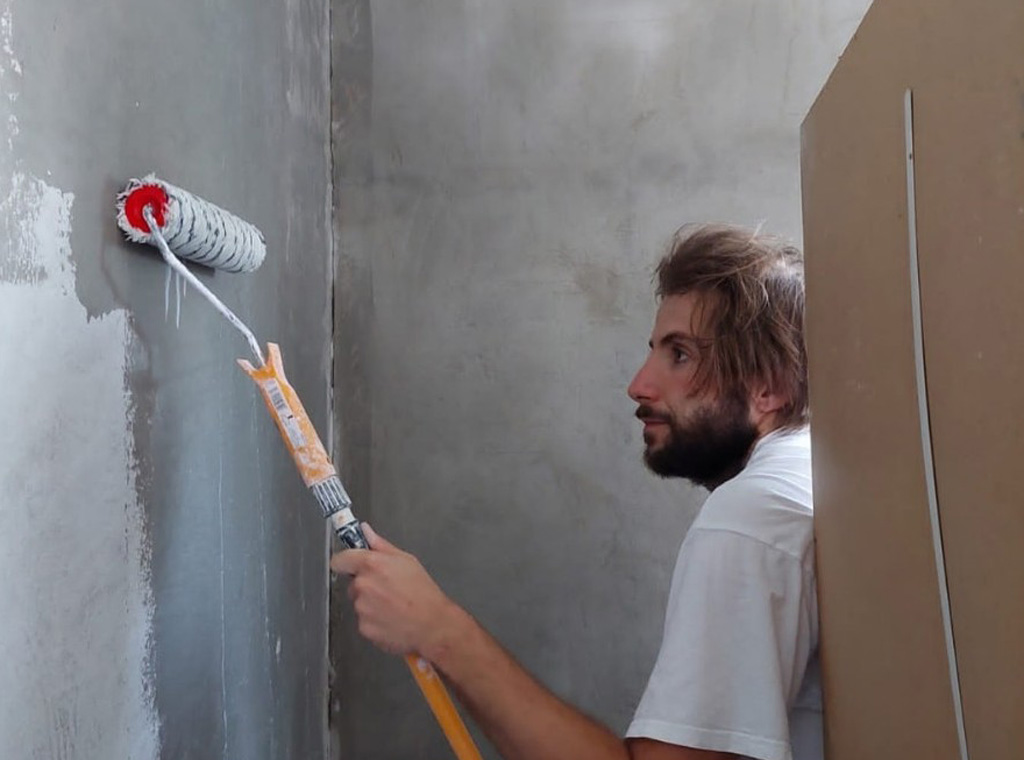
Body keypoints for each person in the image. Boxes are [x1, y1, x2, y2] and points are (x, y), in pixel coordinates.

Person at [332, 223, 820, 760]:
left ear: (770, 385)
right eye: (655, 351)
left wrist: (437, 628)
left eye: (679, 355)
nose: (639, 385)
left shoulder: (748, 519)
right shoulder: (811, 476)